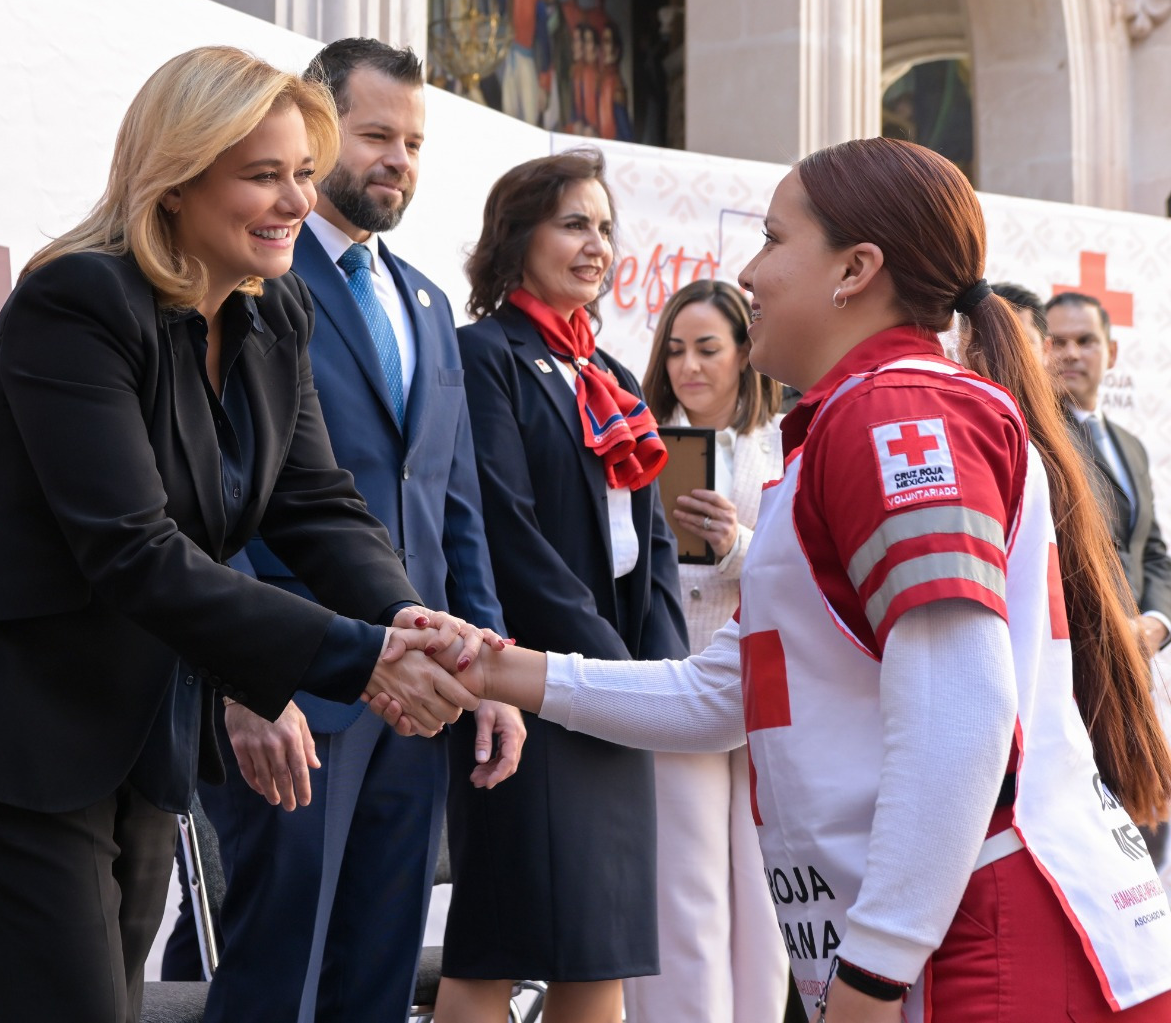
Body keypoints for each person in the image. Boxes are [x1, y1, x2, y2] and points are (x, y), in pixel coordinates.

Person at [399, 137, 1171, 1022]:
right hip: (958, 941)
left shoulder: (896, 410)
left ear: (855, 270)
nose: (749, 272)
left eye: (772, 239)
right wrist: (494, 667)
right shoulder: (856, 419)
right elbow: (719, 694)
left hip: (987, 949)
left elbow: (962, 713)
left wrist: (871, 978)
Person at [0, 46, 492, 1023]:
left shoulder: (276, 310)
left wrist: (404, 616)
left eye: (304, 173)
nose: (296, 201)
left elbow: (315, 501)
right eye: (264, 175)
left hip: (138, 718)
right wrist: (360, 657)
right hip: (8, 716)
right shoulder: (77, 301)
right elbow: (133, 549)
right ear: (177, 180)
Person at [194, 38, 522, 1023]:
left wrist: (486, 667)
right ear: (317, 131)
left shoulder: (427, 302)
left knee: (377, 972)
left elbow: (453, 507)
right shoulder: (253, 275)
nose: (398, 161)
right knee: (274, 973)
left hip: (419, 691)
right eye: (377, 135)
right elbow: (216, 496)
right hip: (295, 682)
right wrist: (249, 674)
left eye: (413, 144)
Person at [435, 148, 689, 1023]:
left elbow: (653, 542)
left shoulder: (610, 372)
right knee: (498, 940)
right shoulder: (483, 353)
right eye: (574, 224)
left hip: (616, 690)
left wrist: (663, 673)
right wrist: (611, 668)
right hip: (532, 684)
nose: (596, 245)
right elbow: (505, 532)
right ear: (517, 237)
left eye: (605, 228)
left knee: (599, 944)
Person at [626, 278, 787, 1023]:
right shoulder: (636, 438)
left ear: (745, 353)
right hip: (671, 678)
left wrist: (736, 545)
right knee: (683, 883)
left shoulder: (782, 443)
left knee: (763, 888)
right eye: (676, 349)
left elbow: (809, 573)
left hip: (764, 687)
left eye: (708, 348)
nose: (689, 366)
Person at [1047, 289, 1171, 868]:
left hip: (1139, 678)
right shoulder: (1037, 437)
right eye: (1058, 341)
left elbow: (1153, 553)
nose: (1072, 353)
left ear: (1112, 352)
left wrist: (1156, 623)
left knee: (1149, 840)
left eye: (1086, 341)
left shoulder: (1132, 448)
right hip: (1078, 679)